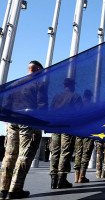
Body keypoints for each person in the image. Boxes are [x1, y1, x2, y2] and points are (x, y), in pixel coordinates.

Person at [0, 60, 47, 199]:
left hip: (12, 122)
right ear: (38, 69)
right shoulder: (39, 84)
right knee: (24, 155)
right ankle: (15, 189)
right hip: (27, 121)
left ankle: (3, 189)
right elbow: (42, 105)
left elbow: (6, 105)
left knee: (9, 155)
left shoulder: (15, 84)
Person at [50, 78, 82, 189]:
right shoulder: (76, 96)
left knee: (55, 151)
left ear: (64, 85)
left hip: (55, 126)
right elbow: (79, 113)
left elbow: (51, 110)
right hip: (67, 127)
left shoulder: (56, 96)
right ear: (72, 85)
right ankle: (61, 179)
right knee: (65, 151)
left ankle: (53, 179)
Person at [73, 90, 95, 183]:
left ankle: (76, 176)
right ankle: (82, 176)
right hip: (88, 132)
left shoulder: (79, 105)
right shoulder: (92, 106)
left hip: (79, 132)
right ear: (90, 96)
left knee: (78, 153)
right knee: (86, 153)